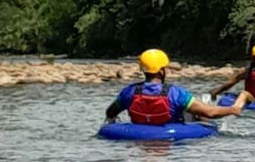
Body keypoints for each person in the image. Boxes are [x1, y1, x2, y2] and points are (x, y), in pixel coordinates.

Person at [105, 48, 246, 124]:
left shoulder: (129, 92)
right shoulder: (175, 93)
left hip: (138, 132)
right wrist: (232, 109)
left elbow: (110, 113)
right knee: (198, 111)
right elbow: (209, 113)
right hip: (171, 134)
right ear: (161, 71)